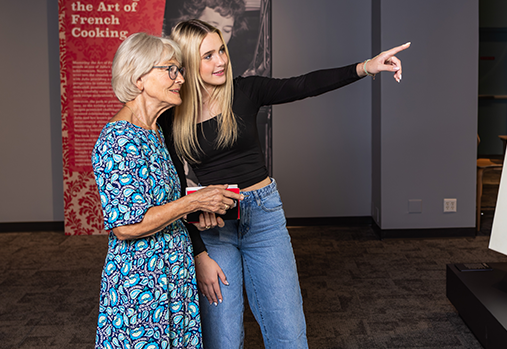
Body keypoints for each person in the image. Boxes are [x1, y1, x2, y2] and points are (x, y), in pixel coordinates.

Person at [159, 19, 409, 348]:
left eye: (221, 50)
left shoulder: (245, 91)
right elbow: (176, 190)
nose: (220, 61)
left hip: (263, 219)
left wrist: (366, 67)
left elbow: (304, 84)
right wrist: (199, 254)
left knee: (288, 333)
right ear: (189, 61)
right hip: (214, 229)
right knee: (223, 338)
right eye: (208, 56)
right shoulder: (172, 117)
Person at [92, 33, 243, 348]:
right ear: (139, 78)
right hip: (141, 287)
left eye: (180, 71)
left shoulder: (153, 131)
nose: (181, 79)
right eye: (171, 70)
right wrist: (194, 202)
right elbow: (126, 226)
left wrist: (198, 209)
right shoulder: (119, 139)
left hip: (172, 278)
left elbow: (161, 205)